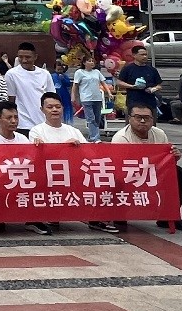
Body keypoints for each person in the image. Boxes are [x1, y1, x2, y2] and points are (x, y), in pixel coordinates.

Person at [30, 92, 119, 236]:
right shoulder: (36, 131)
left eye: (58, 106)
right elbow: (38, 157)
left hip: (76, 174)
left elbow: (89, 155)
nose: (54, 110)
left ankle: (96, 219)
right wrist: (64, 147)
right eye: (50, 107)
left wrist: (96, 148)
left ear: (63, 108)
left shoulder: (73, 130)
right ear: (42, 110)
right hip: (50, 176)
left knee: (106, 177)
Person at [110, 103, 182, 232]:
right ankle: (119, 213)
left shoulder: (159, 134)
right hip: (129, 175)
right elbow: (118, 167)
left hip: (154, 172)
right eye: (138, 117)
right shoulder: (121, 138)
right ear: (129, 118)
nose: (143, 121)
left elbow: (166, 161)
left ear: (153, 119)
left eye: (147, 118)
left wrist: (174, 156)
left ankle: (169, 216)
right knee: (116, 179)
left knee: (178, 173)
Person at [4, 41, 55, 136]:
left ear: (35, 57)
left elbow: (52, 98)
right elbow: (11, 99)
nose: (24, 60)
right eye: (20, 57)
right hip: (23, 125)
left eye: (27, 57)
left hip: (43, 123)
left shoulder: (45, 74)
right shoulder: (11, 74)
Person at [116, 45, 163, 120]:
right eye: (142, 55)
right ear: (134, 55)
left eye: (146, 55)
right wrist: (132, 86)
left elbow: (159, 85)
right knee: (132, 123)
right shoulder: (128, 69)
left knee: (150, 124)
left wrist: (153, 89)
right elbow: (119, 83)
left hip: (150, 102)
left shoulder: (152, 70)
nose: (144, 57)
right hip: (133, 102)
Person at [71, 49, 107, 144]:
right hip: (86, 98)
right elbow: (75, 85)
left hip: (97, 98)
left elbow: (103, 82)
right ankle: (96, 138)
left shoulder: (97, 72)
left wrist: (109, 92)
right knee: (91, 118)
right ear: (84, 63)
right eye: (89, 61)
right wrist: (73, 96)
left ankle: (92, 136)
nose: (91, 63)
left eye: (92, 61)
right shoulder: (79, 72)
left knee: (97, 118)